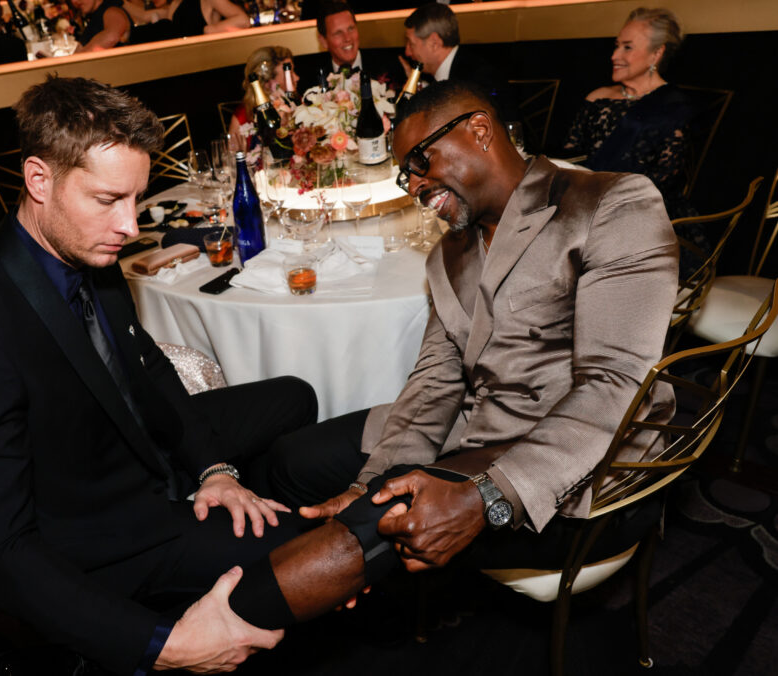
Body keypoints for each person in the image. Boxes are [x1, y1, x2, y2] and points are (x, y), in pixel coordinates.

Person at [214, 80, 679, 627]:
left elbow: (615, 385)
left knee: (378, 522)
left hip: (586, 465)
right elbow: (436, 379)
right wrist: (373, 478)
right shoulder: (446, 254)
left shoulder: (609, 203)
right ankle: (366, 602)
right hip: (480, 431)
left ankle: (215, 632)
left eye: (418, 161)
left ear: (479, 130)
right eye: (403, 174)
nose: (411, 184)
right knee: (292, 459)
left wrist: (486, 496)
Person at [0, 75, 319, 674]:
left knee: (295, 396)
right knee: (306, 556)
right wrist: (166, 645)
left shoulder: (83, 251)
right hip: (106, 525)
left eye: (136, 198)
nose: (130, 226)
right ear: (38, 180)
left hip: (138, 445)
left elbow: (147, 369)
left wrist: (217, 472)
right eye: (108, 200)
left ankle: (244, 492)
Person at [563, 8, 695, 223]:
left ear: (656, 54)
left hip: (639, 216)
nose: (614, 56)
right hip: (580, 205)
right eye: (617, 46)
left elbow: (663, 182)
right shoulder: (597, 98)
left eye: (627, 48)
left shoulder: (673, 106)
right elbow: (569, 156)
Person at [401, 2, 518, 122]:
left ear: (434, 43)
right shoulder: (458, 71)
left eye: (411, 43)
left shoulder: (475, 79)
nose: (407, 52)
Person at [227, 45, 297, 144]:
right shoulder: (242, 116)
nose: (296, 78)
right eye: (289, 74)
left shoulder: (298, 105)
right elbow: (233, 155)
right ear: (267, 83)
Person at [122, 0, 247, 43]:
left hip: (205, 60)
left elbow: (243, 20)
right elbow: (144, 16)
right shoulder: (176, 4)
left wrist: (209, 30)